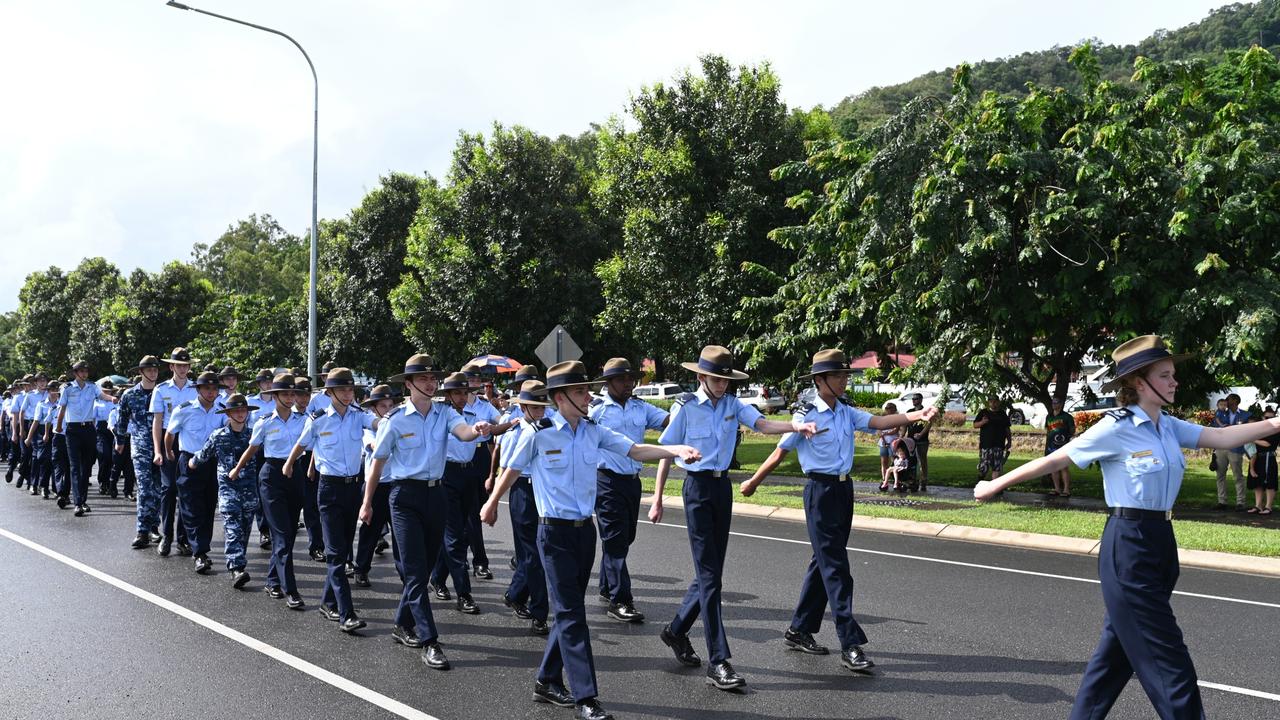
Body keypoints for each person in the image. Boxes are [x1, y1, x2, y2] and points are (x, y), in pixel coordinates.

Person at [975, 335, 1280, 720]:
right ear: (1139, 382)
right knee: (1170, 662)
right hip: (1128, 544)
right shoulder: (1115, 427)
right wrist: (994, 484)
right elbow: (1056, 459)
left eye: (1173, 375)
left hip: (1161, 541)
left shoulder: (1167, 426)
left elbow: (1220, 436)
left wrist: (1274, 422)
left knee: (1114, 657)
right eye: (1165, 376)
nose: (1175, 383)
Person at [482, 360, 701, 720]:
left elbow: (633, 450)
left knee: (571, 611)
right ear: (560, 396)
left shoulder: (592, 429)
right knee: (571, 613)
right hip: (552, 533)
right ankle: (586, 696)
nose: (589, 395)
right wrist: (491, 504)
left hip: (585, 532)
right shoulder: (538, 432)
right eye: (582, 390)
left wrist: (675, 450)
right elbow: (513, 469)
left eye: (588, 389)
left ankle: (546, 679)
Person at [742, 349, 939, 672]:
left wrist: (914, 416)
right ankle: (850, 642)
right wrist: (753, 481)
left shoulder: (846, 411)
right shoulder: (806, 416)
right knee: (836, 568)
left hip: (843, 491)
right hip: (819, 491)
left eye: (846, 375)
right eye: (838, 376)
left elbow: (878, 422)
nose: (844, 380)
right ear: (821, 380)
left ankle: (800, 628)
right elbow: (780, 454)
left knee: (823, 562)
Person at [649, 345, 817, 691]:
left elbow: (763, 423)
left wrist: (797, 426)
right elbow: (666, 450)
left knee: (709, 574)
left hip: (721, 489)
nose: (723, 385)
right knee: (711, 579)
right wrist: (657, 498)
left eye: (726, 379)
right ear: (701, 377)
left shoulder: (732, 405)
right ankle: (719, 661)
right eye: (716, 379)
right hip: (695, 489)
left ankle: (676, 631)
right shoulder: (685, 406)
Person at [359, 353, 492, 672]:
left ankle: (401, 624)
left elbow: (465, 434)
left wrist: (479, 429)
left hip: (437, 494)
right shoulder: (395, 420)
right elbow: (378, 463)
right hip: (404, 497)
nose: (431, 384)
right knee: (417, 572)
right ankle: (430, 640)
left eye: (434, 379)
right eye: (424, 379)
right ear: (408, 384)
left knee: (428, 566)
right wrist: (367, 502)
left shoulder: (445, 414)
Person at [285, 367, 376, 633]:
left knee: (343, 548)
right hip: (329, 489)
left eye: (351, 390)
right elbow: (302, 444)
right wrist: (290, 464)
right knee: (336, 554)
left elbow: (377, 423)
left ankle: (327, 602)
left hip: (353, 488)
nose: (349, 394)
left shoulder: (358, 415)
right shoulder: (318, 418)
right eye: (343, 390)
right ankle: (347, 613)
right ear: (330, 392)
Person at [588, 357, 669, 624]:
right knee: (615, 540)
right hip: (606, 481)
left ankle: (605, 585)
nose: (628, 383)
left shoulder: (639, 407)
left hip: (632, 481)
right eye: (622, 379)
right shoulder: (596, 409)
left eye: (630, 379)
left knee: (626, 537)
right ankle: (620, 599)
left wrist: (686, 411)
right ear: (609, 382)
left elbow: (667, 420)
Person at [430, 370, 510, 612]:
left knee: (463, 534)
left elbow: (489, 430)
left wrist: (510, 424)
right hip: (446, 475)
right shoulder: (439, 415)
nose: (463, 397)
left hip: (469, 473)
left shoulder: (475, 411)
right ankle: (464, 593)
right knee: (455, 536)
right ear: (448, 394)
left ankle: (437, 577)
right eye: (457, 392)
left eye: (465, 392)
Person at [230, 373, 308, 609]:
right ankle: (291, 590)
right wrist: (237, 469)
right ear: (275, 396)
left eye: (293, 393)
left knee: (288, 536)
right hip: (272, 477)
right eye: (285, 393)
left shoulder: (304, 420)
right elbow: (252, 449)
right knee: (282, 534)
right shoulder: (264, 421)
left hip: (296, 475)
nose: (290, 397)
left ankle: (273, 580)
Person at [491, 379, 552, 636]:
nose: (540, 412)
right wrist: (493, 500)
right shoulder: (516, 431)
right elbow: (507, 468)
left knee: (536, 554)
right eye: (535, 408)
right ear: (524, 407)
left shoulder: (549, 428)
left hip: (542, 489)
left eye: (542, 408)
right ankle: (540, 613)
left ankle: (516, 593)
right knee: (533, 555)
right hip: (522, 491)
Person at [189, 393, 259, 588]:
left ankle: (238, 561)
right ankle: (237, 568)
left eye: (243, 410)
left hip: (249, 491)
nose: (240, 414)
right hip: (229, 491)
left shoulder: (254, 436)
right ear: (228, 413)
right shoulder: (218, 435)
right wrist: (192, 462)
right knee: (233, 529)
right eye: (235, 410)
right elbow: (203, 454)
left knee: (244, 530)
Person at [166, 371, 227, 575]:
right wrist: (169, 452)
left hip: (211, 463)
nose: (211, 392)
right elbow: (170, 434)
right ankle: (200, 553)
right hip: (189, 460)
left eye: (214, 389)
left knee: (208, 507)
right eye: (207, 389)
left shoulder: (221, 410)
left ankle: (188, 541)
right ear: (198, 389)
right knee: (191, 506)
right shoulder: (184, 410)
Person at [351, 384, 399, 589]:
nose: (388, 410)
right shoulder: (369, 431)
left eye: (390, 405)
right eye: (383, 406)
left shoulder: (398, 425)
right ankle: (361, 569)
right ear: (373, 409)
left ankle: (405, 572)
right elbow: (374, 447)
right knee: (370, 531)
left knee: (400, 533)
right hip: (376, 486)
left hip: (397, 485)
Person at [151, 347, 197, 557]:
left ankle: (183, 538)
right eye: (179, 365)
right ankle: (166, 535)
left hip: (188, 440)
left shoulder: (196, 389)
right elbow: (158, 421)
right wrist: (158, 450)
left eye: (186, 365)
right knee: (168, 490)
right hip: (168, 438)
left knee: (186, 491)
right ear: (171, 366)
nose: (182, 369)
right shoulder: (161, 389)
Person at [55, 360, 115, 515]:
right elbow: (62, 408)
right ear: (75, 373)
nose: (84, 374)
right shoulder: (67, 389)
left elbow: (102, 396)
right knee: (75, 467)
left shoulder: (92, 387)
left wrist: (113, 399)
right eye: (81, 371)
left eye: (86, 371)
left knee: (86, 467)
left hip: (88, 429)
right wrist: (59, 426)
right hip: (72, 430)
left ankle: (83, 500)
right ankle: (78, 503)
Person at [118, 357, 163, 549]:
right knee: (145, 488)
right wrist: (120, 441)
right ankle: (142, 530)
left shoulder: (162, 392)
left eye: (155, 370)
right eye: (149, 370)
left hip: (160, 445)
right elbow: (122, 418)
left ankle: (154, 526)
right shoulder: (130, 394)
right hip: (140, 446)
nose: (153, 373)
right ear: (141, 372)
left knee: (159, 489)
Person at [1213, 393, 1250, 510]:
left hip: (1236, 448)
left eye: (1228, 399)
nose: (1226, 402)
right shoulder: (1221, 412)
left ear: (1235, 401)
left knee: (1238, 476)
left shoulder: (1246, 415)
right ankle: (1222, 501)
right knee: (1220, 476)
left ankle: (1240, 502)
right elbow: (1214, 427)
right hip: (1221, 448)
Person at [973, 398, 1011, 485]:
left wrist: (1009, 441)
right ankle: (980, 478)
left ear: (998, 402)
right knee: (984, 467)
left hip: (999, 444)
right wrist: (983, 422)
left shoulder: (1002, 414)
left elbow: (1007, 429)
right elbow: (975, 425)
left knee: (997, 467)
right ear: (988, 402)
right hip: (986, 444)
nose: (993, 403)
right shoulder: (983, 412)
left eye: (995, 401)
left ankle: (995, 487)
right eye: (991, 401)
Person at [1044, 398, 1076, 497]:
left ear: (1061, 404)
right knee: (1053, 467)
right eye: (1053, 402)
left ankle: (1066, 490)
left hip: (1063, 445)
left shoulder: (1067, 417)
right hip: (1051, 445)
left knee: (1063, 467)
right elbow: (1048, 429)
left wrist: (1065, 437)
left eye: (1056, 402)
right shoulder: (1049, 417)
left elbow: (1072, 430)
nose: (1054, 404)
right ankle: (1057, 489)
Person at [1248, 408, 1277, 515]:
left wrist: (1252, 439)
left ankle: (1268, 507)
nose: (1268, 419)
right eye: (1266, 417)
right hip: (1257, 458)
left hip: (1269, 458)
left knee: (1269, 482)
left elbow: (1268, 444)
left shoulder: (1275, 430)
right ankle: (1258, 505)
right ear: (1262, 417)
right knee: (1257, 482)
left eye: (1271, 417)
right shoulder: (1258, 429)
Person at [93, 381, 117, 497]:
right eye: (105, 391)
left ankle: (108, 482)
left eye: (109, 391)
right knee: (104, 455)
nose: (107, 393)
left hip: (112, 431)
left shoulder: (115, 403)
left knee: (112, 458)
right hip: (101, 431)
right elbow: (93, 420)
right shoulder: (97, 403)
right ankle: (102, 481)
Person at [907, 393, 932, 490]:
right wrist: (902, 435)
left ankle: (923, 481)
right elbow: (905, 424)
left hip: (922, 441)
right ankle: (912, 481)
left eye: (916, 399)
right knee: (911, 461)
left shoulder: (925, 412)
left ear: (921, 400)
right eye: (913, 399)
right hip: (910, 440)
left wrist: (921, 434)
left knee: (922, 461)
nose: (914, 400)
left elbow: (928, 424)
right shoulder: (910, 411)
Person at [876, 403, 901, 486]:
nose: (888, 409)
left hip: (893, 442)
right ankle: (884, 480)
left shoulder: (897, 418)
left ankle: (896, 479)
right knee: (884, 461)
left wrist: (886, 433)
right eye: (887, 408)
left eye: (890, 408)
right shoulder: (882, 418)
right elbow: (878, 429)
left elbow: (896, 430)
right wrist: (881, 435)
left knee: (894, 460)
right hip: (883, 442)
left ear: (894, 409)